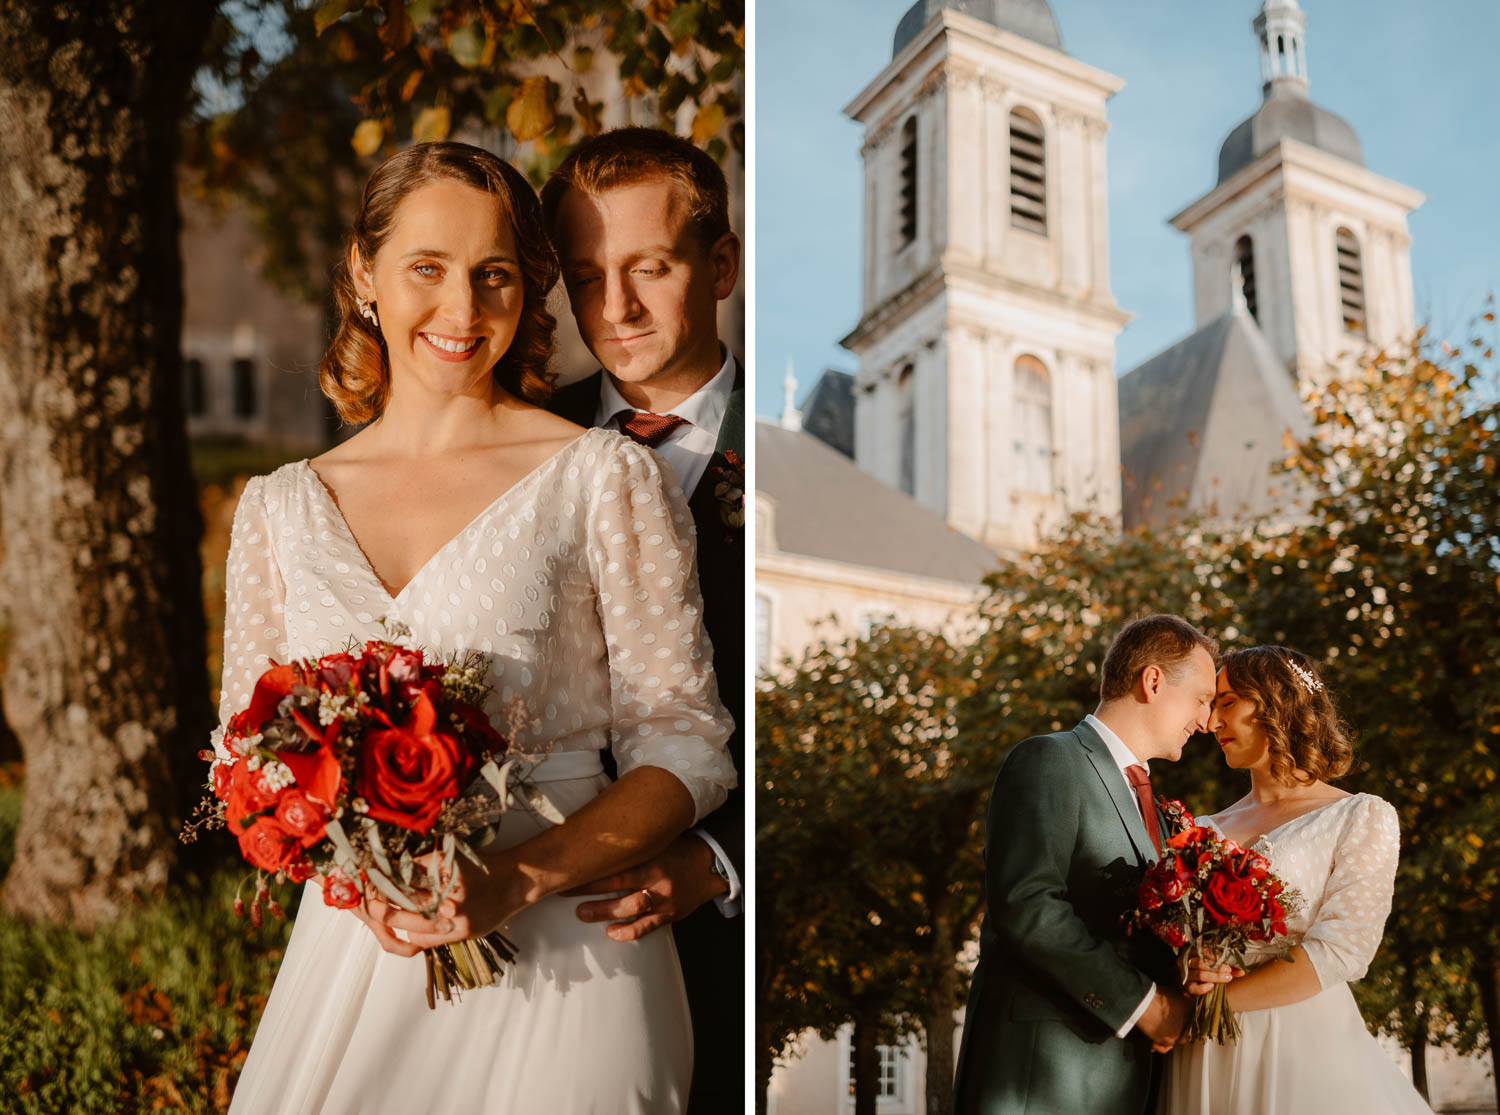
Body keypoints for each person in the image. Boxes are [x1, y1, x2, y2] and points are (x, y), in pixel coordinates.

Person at [217, 141, 736, 1114]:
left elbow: (689, 748)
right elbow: (248, 770)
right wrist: (351, 864)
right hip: (364, 954)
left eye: (493, 275)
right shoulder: (277, 508)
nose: (462, 312)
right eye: (429, 268)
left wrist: (516, 876)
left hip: (578, 960)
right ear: (363, 273)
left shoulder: (601, 474)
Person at [540, 125, 746, 1113]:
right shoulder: (520, 439)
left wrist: (720, 859)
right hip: (527, 913)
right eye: (586, 276)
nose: (613, 308)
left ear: (721, 266)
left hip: (721, 937)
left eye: (649, 268)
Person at [954, 614, 1218, 1114]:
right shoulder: (1050, 760)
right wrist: (1148, 1006)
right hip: (1041, 1082)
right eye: (1202, 698)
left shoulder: (1159, 812)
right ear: (1153, 680)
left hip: (1122, 1085)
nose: (1206, 721)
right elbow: (1029, 907)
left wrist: (1191, 973)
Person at [1162, 646, 1432, 1114]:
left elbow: (1342, 949)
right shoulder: (1198, 828)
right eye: (1210, 707)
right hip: (1201, 1053)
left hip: (1299, 1048)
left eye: (1227, 703)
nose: (1210, 723)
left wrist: (1207, 1007)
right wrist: (1191, 970)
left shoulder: (1360, 816)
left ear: (1276, 703)